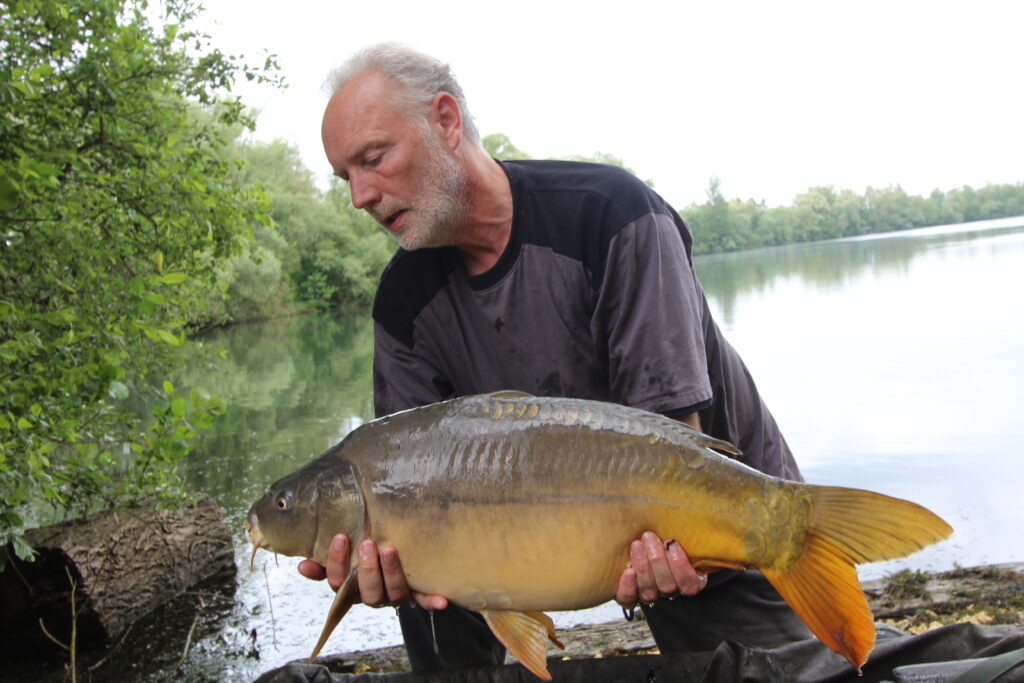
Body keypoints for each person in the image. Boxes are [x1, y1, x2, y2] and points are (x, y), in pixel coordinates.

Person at [298, 43, 811, 673]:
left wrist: (672, 544)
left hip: (716, 516)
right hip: (504, 535)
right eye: (345, 176)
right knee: (421, 583)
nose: (359, 196)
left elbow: (674, 445)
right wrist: (381, 563)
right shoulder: (403, 301)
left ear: (445, 121)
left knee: (786, 668)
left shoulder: (611, 216)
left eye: (374, 159)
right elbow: (399, 480)